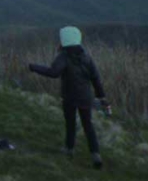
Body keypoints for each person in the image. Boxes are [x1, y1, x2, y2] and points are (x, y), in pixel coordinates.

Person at [29, 26, 108, 169]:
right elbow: (96, 79)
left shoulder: (63, 57)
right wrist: (101, 97)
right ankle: (96, 155)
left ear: (64, 40)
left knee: (70, 124)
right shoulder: (87, 57)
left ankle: (69, 149)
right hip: (85, 97)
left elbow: (53, 73)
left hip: (70, 97)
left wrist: (33, 67)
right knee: (88, 125)